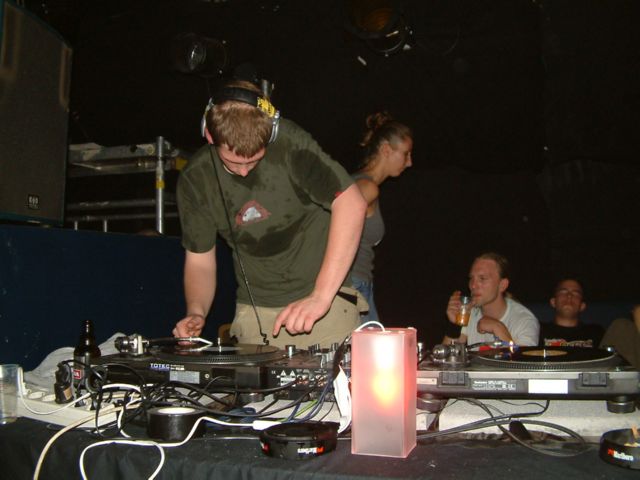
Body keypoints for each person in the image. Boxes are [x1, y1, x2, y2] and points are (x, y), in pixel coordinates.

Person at [173, 80, 367, 349]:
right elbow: (200, 261)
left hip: (325, 305)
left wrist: (321, 296)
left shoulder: (290, 143)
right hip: (255, 312)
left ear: (272, 132)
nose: (244, 171)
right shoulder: (196, 179)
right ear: (209, 134)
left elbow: (351, 203)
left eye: (254, 160)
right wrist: (196, 311)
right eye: (233, 162)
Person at [348, 112, 413, 323]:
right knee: (371, 345)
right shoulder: (366, 187)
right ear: (386, 150)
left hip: (356, 284)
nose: (409, 162)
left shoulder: (359, 183)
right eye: (406, 154)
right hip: (352, 286)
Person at [443, 252, 539, 346]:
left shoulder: (524, 320)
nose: (473, 285)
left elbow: (522, 357)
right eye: (471, 278)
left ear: (502, 285)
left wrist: (498, 328)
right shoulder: (470, 312)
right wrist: (454, 325)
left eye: (482, 278)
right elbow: (445, 355)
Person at [538, 278, 604, 347]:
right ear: (553, 302)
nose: (569, 296)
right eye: (563, 292)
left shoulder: (596, 332)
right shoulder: (538, 330)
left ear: (582, 306)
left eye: (575, 294)